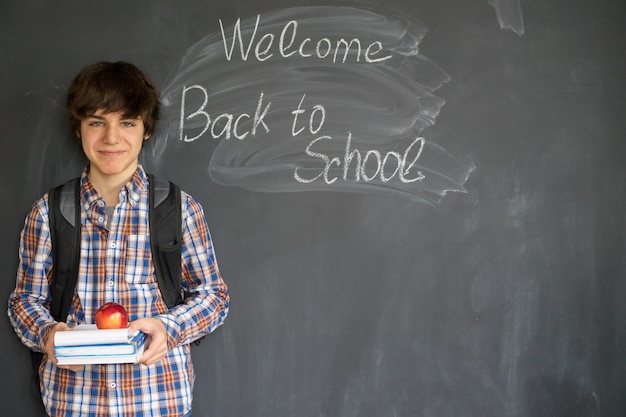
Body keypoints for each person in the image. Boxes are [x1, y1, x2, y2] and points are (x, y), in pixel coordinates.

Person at [8, 61, 229, 417]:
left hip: (158, 399)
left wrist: (168, 329)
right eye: (97, 122)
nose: (111, 138)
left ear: (146, 130)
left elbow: (214, 297)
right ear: (78, 129)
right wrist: (50, 335)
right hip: (73, 402)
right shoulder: (48, 212)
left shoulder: (180, 209)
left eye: (127, 122)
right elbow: (25, 301)